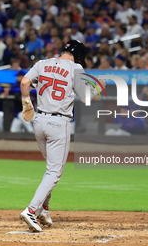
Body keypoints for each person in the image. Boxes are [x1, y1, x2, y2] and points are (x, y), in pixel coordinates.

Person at [19, 40, 105, 232]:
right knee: (54, 172)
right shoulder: (76, 68)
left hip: (39, 121)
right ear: (80, 56)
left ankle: (43, 209)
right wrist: (98, 87)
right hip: (59, 123)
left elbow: (24, 82)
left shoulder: (42, 63)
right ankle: (31, 210)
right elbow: (86, 98)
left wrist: (26, 101)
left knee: (50, 169)